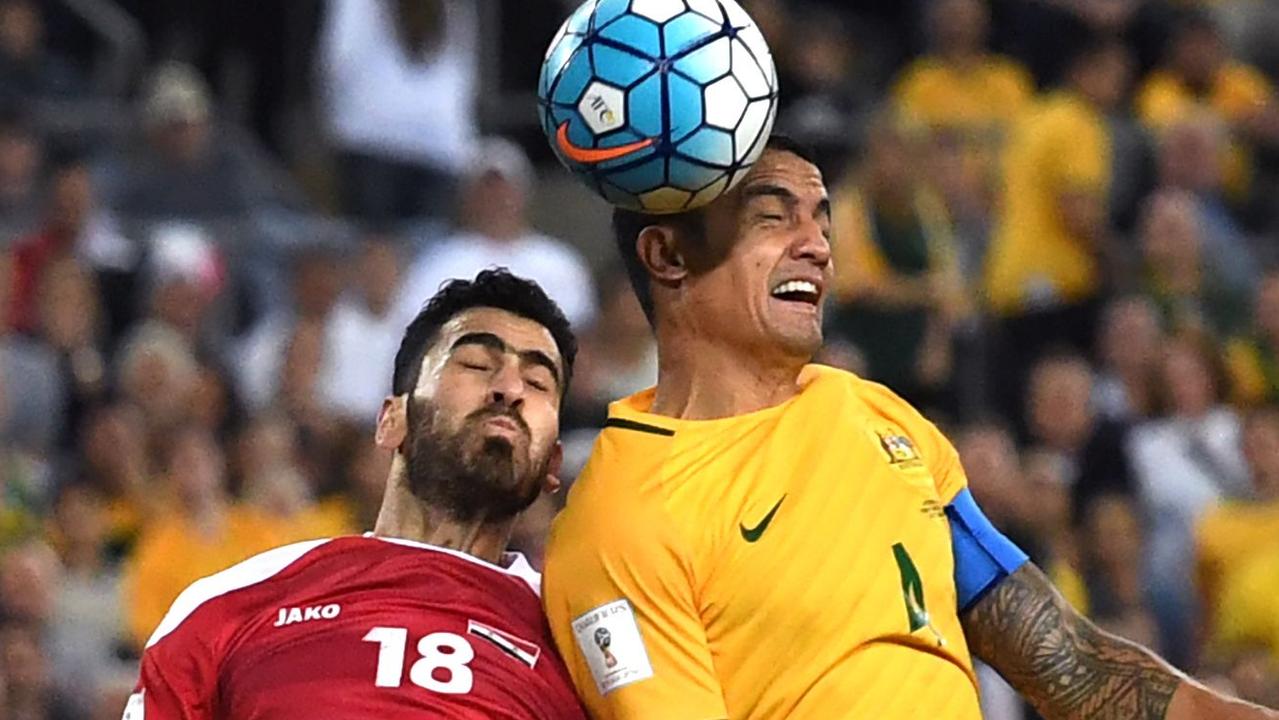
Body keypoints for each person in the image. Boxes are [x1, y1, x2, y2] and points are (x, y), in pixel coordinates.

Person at [542, 135, 1278, 719]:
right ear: (667, 254)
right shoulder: (619, 520)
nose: (818, 247)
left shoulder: (876, 416)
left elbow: (1073, 668)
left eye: (822, 219)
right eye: (775, 217)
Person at [125, 269, 586, 719]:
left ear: (552, 465)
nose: (508, 389)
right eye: (477, 365)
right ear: (391, 420)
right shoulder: (233, 605)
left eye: (537, 383)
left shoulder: (583, 645)